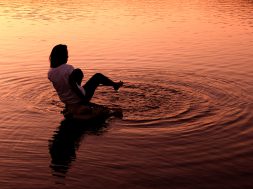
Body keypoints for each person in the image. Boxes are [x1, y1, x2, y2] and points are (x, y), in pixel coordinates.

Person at [48, 44, 123, 119]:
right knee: (97, 76)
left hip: (67, 100)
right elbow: (73, 86)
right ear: (62, 56)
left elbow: (63, 86)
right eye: (66, 54)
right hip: (79, 97)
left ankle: (70, 107)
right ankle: (114, 85)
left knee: (78, 75)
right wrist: (84, 101)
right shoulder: (68, 68)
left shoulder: (50, 73)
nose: (68, 57)